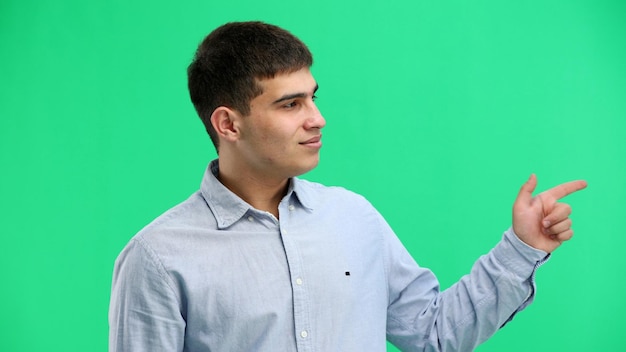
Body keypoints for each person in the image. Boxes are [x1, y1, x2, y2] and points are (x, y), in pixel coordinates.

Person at [108, 21, 587, 352]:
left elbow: (434, 335)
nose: (317, 119)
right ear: (228, 124)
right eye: (290, 104)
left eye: (313, 98)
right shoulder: (158, 257)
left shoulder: (353, 217)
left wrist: (522, 248)